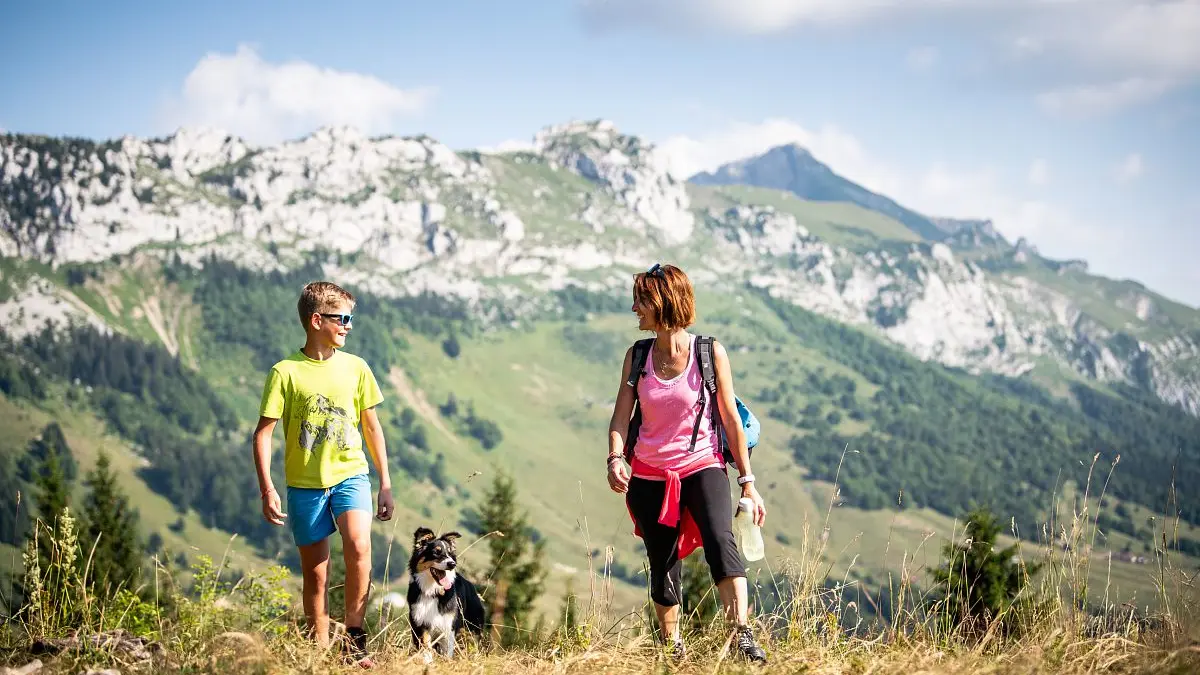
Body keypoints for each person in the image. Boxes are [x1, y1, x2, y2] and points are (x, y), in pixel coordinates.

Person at [606, 263, 768, 663]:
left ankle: (742, 636)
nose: (633, 308)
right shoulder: (638, 356)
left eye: (641, 300)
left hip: (703, 464)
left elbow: (730, 418)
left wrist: (748, 481)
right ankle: (672, 648)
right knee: (663, 563)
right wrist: (614, 457)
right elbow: (620, 417)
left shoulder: (709, 352)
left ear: (663, 302)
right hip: (648, 474)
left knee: (719, 540)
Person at [253, 281, 394, 668]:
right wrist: (267, 488)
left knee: (360, 548)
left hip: (352, 475)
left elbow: (372, 428)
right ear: (317, 320)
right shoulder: (285, 372)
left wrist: (384, 483)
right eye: (342, 319)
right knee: (315, 575)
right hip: (305, 487)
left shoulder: (357, 368)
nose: (348, 326)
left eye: (350, 319)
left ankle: (354, 639)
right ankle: (317, 651)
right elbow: (262, 433)